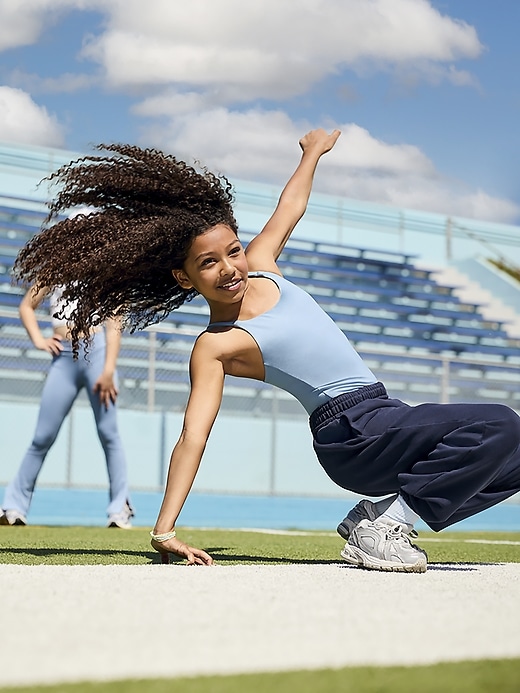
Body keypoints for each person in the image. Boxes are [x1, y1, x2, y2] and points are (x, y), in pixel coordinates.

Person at [10, 129, 520, 572]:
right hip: (352, 433)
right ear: (183, 277)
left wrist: (312, 153)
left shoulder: (262, 265)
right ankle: (387, 525)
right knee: (500, 423)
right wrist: (163, 530)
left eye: (231, 251)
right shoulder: (215, 345)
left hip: (384, 413)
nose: (229, 268)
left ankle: (381, 518)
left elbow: (291, 205)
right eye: (208, 263)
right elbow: (192, 436)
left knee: (516, 456)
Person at [0, 284, 134, 529]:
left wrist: (108, 369)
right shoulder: (56, 269)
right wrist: (39, 340)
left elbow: (115, 320)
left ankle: (119, 509)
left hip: (98, 355)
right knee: (42, 436)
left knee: (108, 434)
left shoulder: (105, 266)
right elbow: (26, 307)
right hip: (63, 357)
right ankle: (13, 507)